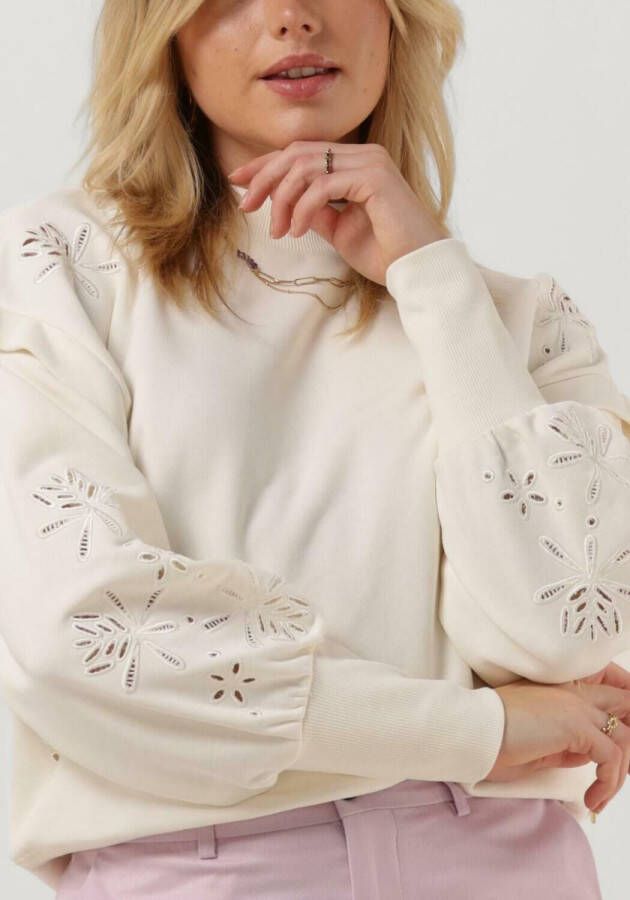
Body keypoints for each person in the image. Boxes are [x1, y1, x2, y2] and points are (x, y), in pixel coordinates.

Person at [1, 1, 629, 897]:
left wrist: (433, 279)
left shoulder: (514, 318)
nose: (294, 17)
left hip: (506, 862)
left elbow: (569, 629)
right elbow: (82, 640)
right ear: (165, 28)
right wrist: (472, 731)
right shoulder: (59, 269)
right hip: (204, 872)